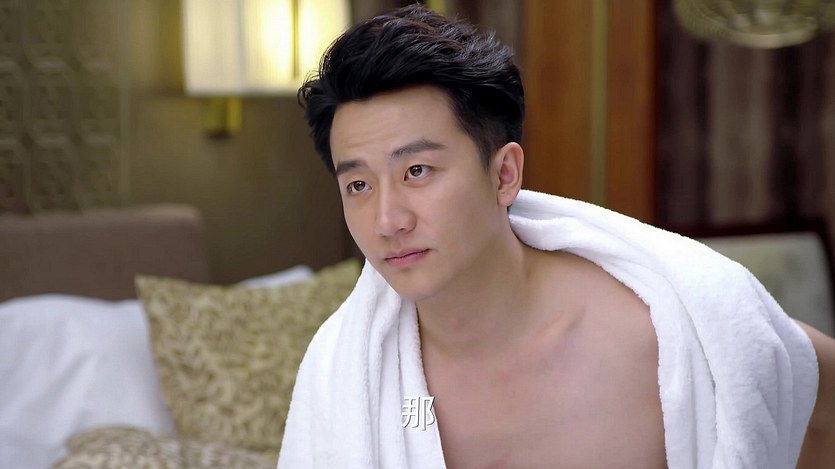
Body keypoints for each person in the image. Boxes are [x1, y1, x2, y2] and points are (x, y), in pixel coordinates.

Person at [278, 4, 835, 468]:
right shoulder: (353, 379)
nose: (387, 220)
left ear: (504, 174)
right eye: (358, 184)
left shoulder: (660, 334)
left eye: (417, 171)